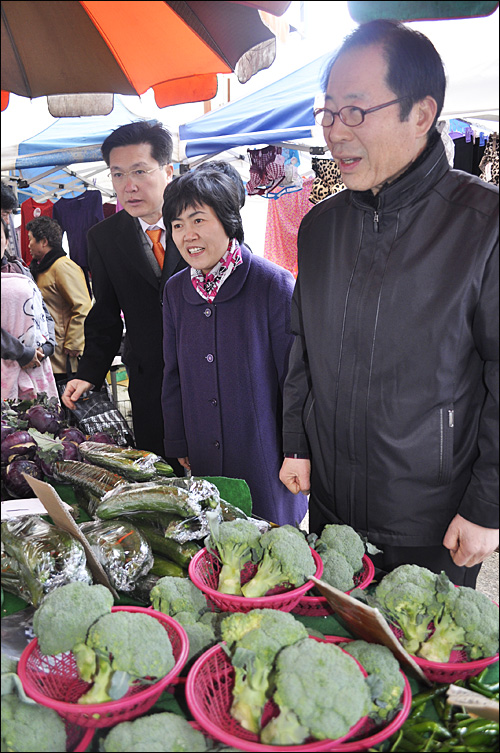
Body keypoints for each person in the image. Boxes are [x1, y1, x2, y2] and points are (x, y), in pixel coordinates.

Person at [279, 19, 498, 586]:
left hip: (432, 518)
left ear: (420, 114)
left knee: (422, 665)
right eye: (327, 112)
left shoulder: (484, 224)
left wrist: (488, 505)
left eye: (354, 111)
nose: (333, 131)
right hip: (332, 513)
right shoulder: (320, 227)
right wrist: (296, 445)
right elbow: (303, 347)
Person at [161, 167, 307, 525]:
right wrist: (179, 442)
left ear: (228, 221)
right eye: (177, 225)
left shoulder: (272, 284)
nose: (187, 235)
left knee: (268, 546)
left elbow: (296, 378)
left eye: (198, 220)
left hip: (264, 453)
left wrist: (296, 450)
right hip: (201, 450)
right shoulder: (176, 291)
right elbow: (173, 372)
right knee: (217, 545)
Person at [61, 121, 188, 464]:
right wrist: (87, 373)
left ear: (168, 171)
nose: (128, 186)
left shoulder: (202, 221)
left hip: (208, 374)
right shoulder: (103, 237)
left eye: (139, 171)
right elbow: (104, 315)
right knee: (161, 478)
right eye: (117, 175)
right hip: (149, 383)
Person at [27, 216, 92, 380]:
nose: (28, 245)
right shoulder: (42, 269)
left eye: (31, 240)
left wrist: (74, 343)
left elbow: (83, 306)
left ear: (43, 241)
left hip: (65, 356)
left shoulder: (63, 266)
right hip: (50, 354)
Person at [1, 217, 58, 401]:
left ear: (7, 240)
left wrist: (48, 345)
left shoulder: (19, 269)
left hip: (36, 364)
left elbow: (42, 310)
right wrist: (22, 353)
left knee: (40, 424)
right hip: (7, 369)